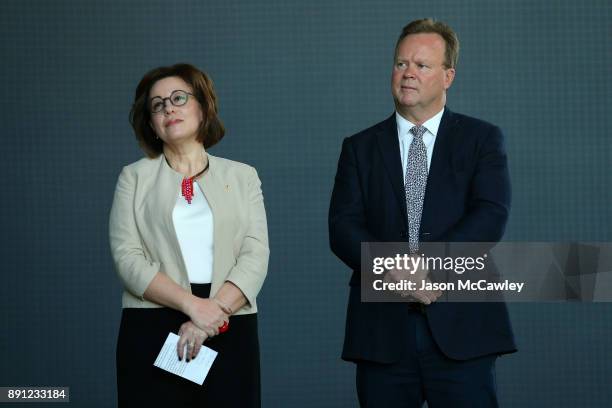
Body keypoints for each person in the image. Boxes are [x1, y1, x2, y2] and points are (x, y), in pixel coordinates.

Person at [329, 19, 516, 407]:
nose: (408, 73)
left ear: (448, 76)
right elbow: (343, 227)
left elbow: (490, 215)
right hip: (381, 332)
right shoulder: (359, 147)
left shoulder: (481, 139)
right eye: (401, 64)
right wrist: (392, 269)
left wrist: (428, 267)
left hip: (463, 326)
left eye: (422, 65)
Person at [109, 63, 269, 407]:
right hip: (153, 322)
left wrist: (212, 314)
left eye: (179, 98)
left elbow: (255, 255)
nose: (169, 107)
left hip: (229, 321)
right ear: (151, 122)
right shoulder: (133, 178)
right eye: (157, 104)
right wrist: (193, 307)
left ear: (203, 107)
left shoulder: (243, 176)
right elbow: (127, 258)